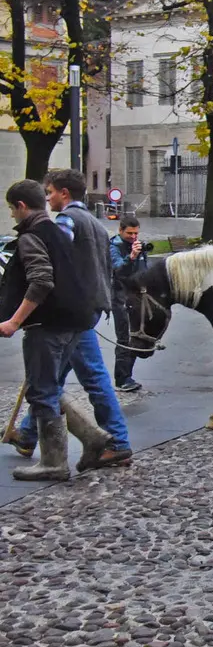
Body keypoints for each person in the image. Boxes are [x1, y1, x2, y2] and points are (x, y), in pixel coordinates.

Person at [9, 169, 134, 469]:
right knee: (51, 379)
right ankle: (27, 434)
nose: (48, 197)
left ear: (64, 193)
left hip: (72, 311)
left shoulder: (65, 221)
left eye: (50, 192)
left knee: (90, 377)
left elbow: (55, 261)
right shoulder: (96, 223)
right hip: (88, 307)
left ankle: (116, 441)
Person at [0, 180, 93, 480]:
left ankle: (53, 462)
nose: (13, 215)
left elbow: (41, 281)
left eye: (12, 209)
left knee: (42, 392)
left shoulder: (32, 236)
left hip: (48, 324)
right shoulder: (56, 231)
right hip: (74, 320)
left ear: (22, 206)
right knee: (50, 387)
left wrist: (14, 320)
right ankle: (94, 438)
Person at [109, 216, 149, 392]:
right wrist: (131, 257)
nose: (133, 237)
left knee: (136, 336)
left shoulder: (139, 245)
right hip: (120, 297)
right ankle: (122, 378)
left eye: (136, 233)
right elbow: (118, 270)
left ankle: (128, 375)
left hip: (138, 296)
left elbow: (144, 270)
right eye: (129, 233)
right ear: (120, 230)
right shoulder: (114, 247)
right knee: (124, 337)